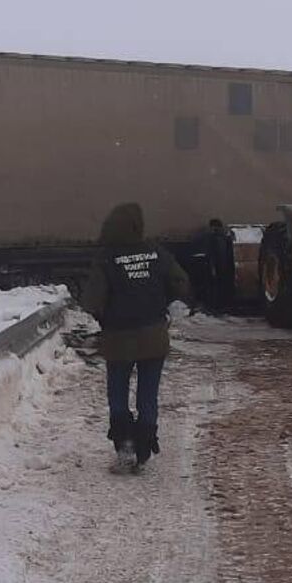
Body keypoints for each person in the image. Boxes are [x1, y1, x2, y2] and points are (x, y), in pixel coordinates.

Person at [80, 202, 193, 472]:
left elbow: (92, 300)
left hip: (118, 339)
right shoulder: (157, 253)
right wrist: (169, 302)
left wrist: (101, 316)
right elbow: (181, 282)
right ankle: (144, 445)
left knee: (117, 393)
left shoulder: (106, 259)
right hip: (154, 337)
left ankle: (125, 445)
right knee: (148, 394)